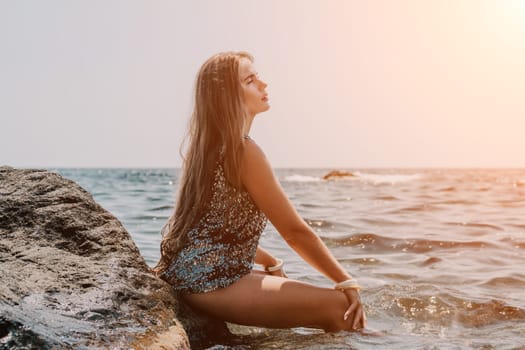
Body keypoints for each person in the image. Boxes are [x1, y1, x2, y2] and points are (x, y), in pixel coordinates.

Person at [153, 51, 366, 332]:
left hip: (191, 276)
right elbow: (294, 232)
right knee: (342, 309)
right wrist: (347, 282)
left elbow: (215, 232)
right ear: (227, 95)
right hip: (209, 284)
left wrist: (270, 260)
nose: (263, 84)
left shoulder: (210, 149)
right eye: (251, 80)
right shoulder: (243, 151)